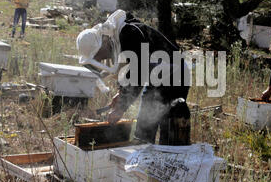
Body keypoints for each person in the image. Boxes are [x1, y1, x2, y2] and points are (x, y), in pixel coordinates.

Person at [76, 10, 191, 145]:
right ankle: (145, 163)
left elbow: (138, 73)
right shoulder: (121, 37)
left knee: (168, 133)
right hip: (157, 80)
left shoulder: (129, 34)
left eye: (98, 56)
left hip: (175, 77)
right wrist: (121, 93)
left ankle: (169, 159)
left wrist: (120, 109)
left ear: (103, 42)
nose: (101, 59)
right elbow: (130, 70)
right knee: (143, 131)